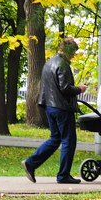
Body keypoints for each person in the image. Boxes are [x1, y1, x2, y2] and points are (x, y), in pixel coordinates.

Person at [22, 37, 87, 184]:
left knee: (55, 139)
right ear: (68, 50)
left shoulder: (49, 63)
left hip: (49, 106)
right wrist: (79, 89)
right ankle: (63, 175)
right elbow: (64, 88)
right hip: (62, 108)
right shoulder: (62, 65)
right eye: (73, 52)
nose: (74, 55)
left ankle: (30, 163)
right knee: (69, 141)